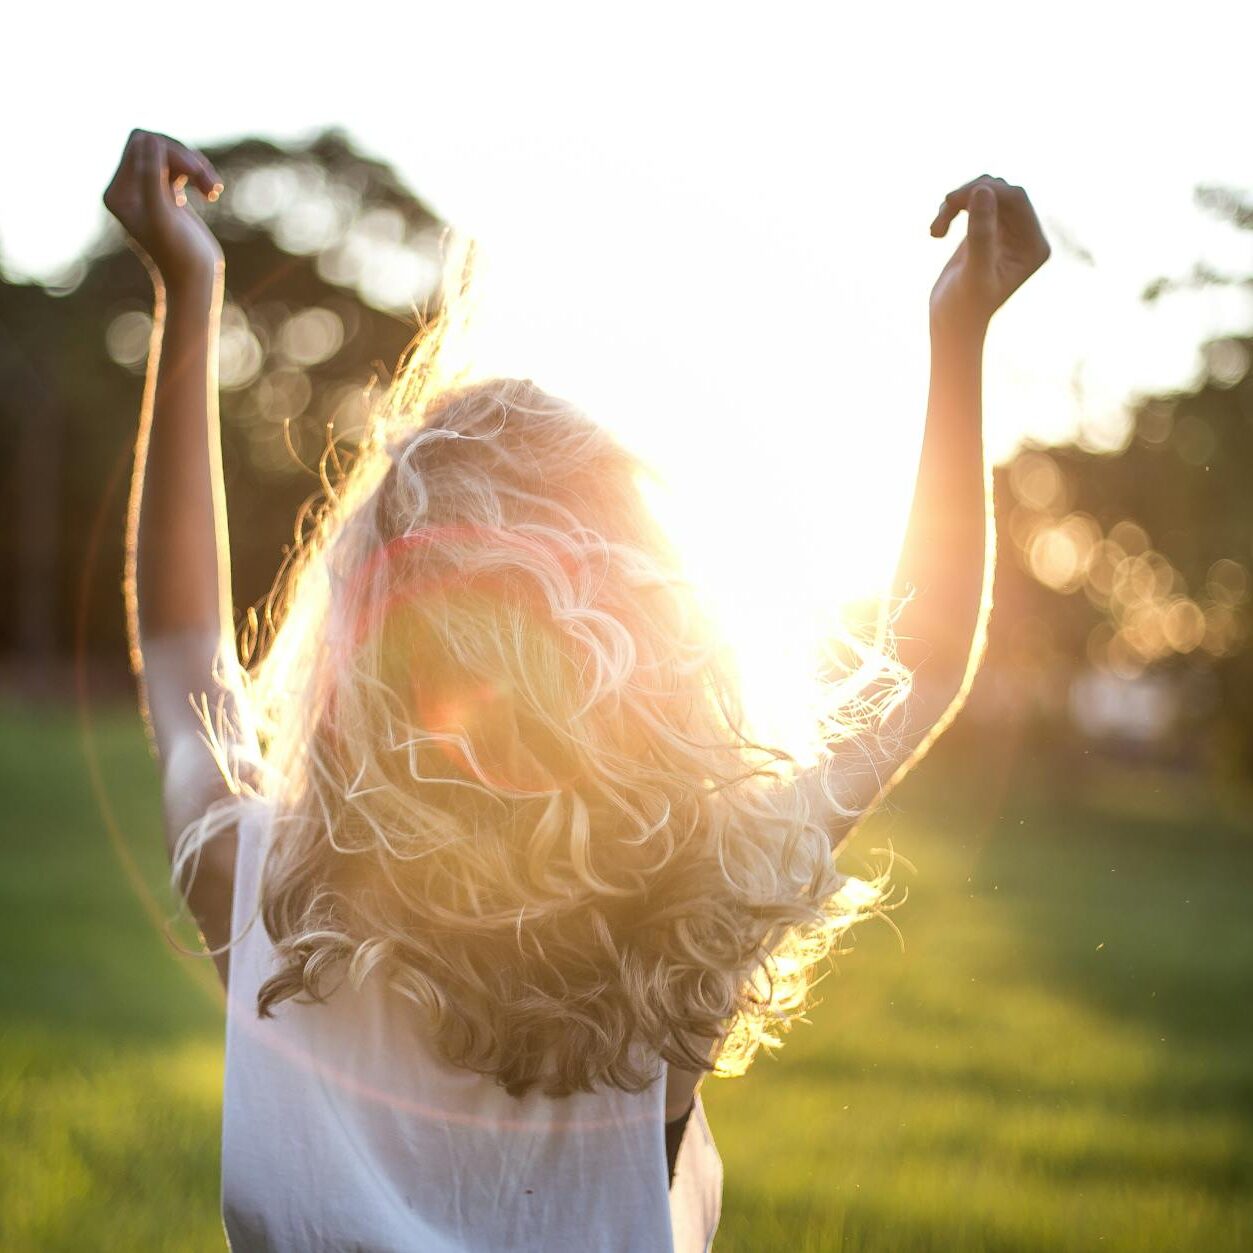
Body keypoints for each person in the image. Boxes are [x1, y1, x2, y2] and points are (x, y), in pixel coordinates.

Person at [103, 128, 1050, 1252]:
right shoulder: (688, 916)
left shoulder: (265, 893)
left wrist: (189, 292)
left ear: (364, 645)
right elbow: (918, 660)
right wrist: (959, 336)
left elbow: (185, 645)